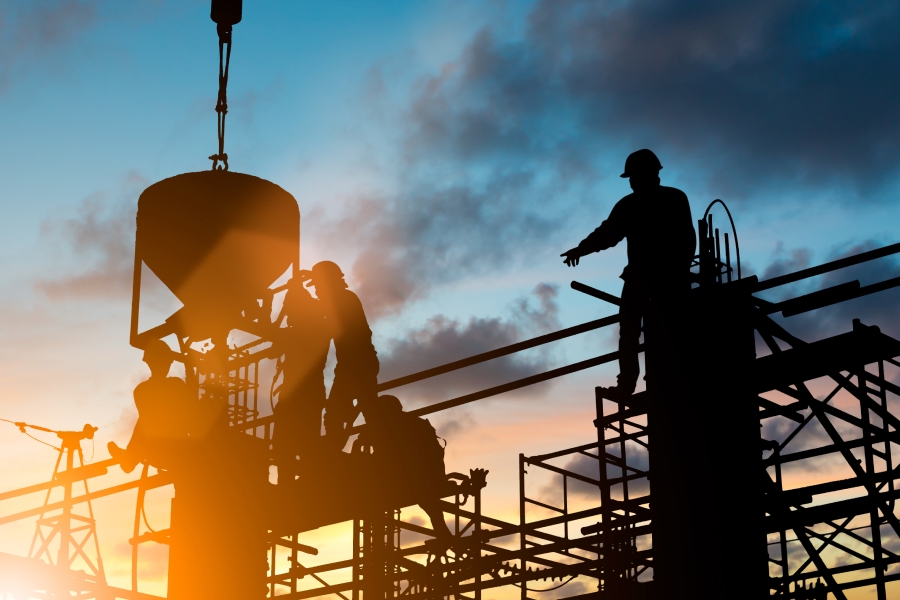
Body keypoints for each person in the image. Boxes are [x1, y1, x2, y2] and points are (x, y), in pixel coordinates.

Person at [561, 149, 696, 399]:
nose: (632, 182)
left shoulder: (650, 202)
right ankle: (643, 382)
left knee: (646, 332)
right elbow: (607, 234)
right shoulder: (652, 202)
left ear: (648, 174)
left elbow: (686, 241)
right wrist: (582, 249)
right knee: (637, 331)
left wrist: (676, 272)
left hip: (658, 280)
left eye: (634, 176)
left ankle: (644, 383)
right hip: (652, 279)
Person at [304, 261, 379, 452]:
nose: (317, 291)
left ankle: (334, 458)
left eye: (318, 286)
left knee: (339, 416)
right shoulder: (343, 298)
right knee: (362, 411)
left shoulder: (343, 300)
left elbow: (324, 319)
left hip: (356, 365)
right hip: (353, 364)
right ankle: (338, 455)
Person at [355, 395, 453, 539]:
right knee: (429, 503)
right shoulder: (412, 423)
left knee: (426, 500)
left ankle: (442, 531)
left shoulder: (391, 427)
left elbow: (384, 457)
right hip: (424, 478)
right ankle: (443, 531)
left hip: (413, 479)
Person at [272, 277, 331, 481]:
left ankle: (292, 482)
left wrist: (284, 306)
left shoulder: (299, 332)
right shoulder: (319, 328)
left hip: (299, 396)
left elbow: (274, 342)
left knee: (287, 443)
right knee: (304, 442)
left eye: (290, 309)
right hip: (308, 394)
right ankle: (304, 479)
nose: (288, 315)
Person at [109, 339, 196, 472]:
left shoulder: (141, 390)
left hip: (158, 451)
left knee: (145, 420)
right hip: (174, 450)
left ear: (148, 362)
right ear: (168, 362)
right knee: (146, 420)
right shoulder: (175, 385)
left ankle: (130, 458)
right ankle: (130, 458)